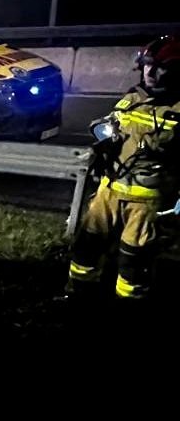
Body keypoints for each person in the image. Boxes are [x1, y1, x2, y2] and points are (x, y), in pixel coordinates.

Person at [67, 35, 180, 300]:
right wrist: (102, 134)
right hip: (108, 192)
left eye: (160, 67)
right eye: (147, 65)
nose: (150, 71)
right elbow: (106, 124)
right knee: (86, 248)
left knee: (134, 261)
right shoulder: (132, 97)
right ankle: (77, 297)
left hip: (146, 203)